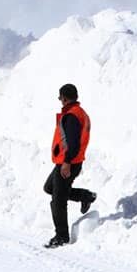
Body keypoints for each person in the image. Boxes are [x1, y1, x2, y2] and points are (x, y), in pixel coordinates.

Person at [43, 83, 96, 248]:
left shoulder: (72, 116)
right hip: (68, 161)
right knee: (49, 187)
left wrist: (66, 163)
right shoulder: (78, 113)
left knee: (58, 200)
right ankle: (85, 196)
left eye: (60, 97)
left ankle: (61, 236)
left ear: (65, 98)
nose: (59, 100)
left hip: (68, 162)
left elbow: (72, 143)